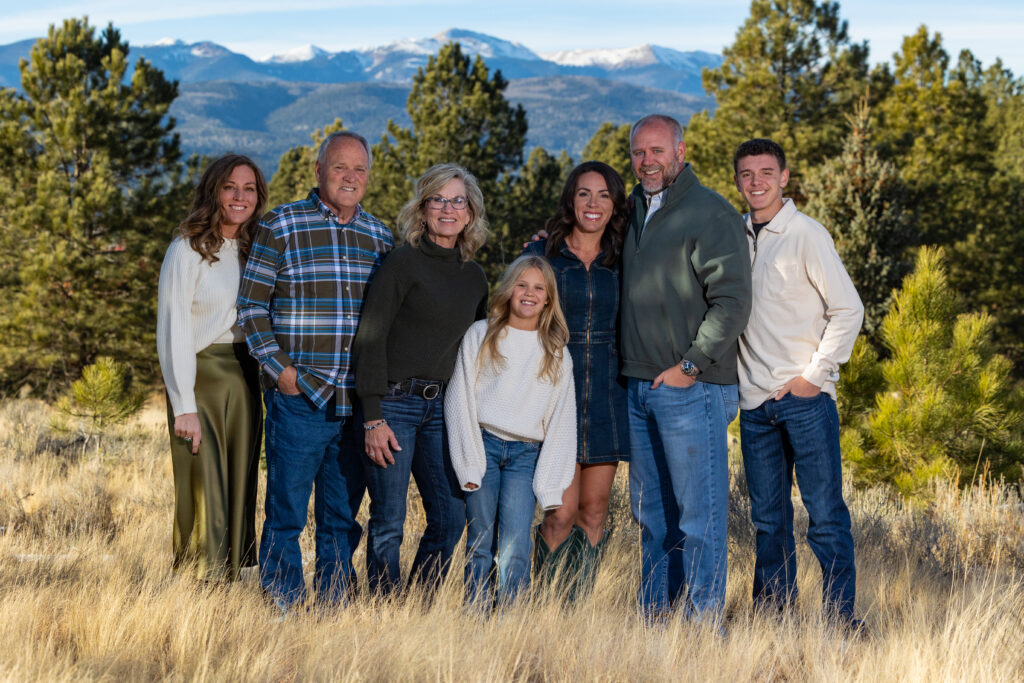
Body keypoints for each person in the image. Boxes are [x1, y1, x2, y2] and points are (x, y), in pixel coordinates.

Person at [237, 131, 393, 611]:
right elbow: (250, 308)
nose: (350, 177)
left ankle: (333, 603)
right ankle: (282, 602)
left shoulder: (380, 236)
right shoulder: (282, 224)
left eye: (359, 169)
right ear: (318, 172)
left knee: (341, 515)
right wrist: (282, 372)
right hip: (300, 396)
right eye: (339, 167)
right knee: (286, 511)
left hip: (356, 404)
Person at [621, 114, 751, 621]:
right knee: (653, 517)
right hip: (639, 386)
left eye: (657, 151)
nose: (647, 161)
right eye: (638, 153)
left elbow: (733, 302)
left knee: (700, 519)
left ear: (680, 150)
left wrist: (690, 367)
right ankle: (657, 623)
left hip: (689, 388)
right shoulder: (633, 209)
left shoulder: (709, 212)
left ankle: (702, 629)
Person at [732, 138, 864, 626]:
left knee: (825, 518)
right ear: (738, 181)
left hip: (804, 401)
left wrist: (814, 376)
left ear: (784, 177)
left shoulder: (807, 234)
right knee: (768, 523)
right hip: (754, 405)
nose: (757, 182)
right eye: (747, 174)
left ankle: (839, 622)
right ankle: (774, 621)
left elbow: (849, 309)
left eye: (766, 172)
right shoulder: (736, 236)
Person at [353, 163, 489, 596]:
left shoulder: (475, 277)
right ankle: (382, 608)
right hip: (393, 405)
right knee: (389, 518)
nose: (448, 209)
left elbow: (480, 349)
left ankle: (418, 606)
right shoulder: (402, 263)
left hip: (443, 410)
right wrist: (372, 416)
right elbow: (370, 339)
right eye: (438, 200)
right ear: (423, 209)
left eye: (458, 201)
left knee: (450, 516)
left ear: (470, 213)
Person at [157, 153, 268, 581]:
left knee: (240, 482)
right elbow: (173, 330)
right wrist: (183, 403)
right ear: (213, 191)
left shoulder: (257, 249)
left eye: (249, 189)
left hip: (245, 377)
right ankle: (200, 581)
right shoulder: (186, 250)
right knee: (204, 482)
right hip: (200, 378)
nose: (240, 197)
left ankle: (235, 580)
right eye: (230, 187)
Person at [522, 161, 630, 597]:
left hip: (607, 394)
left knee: (593, 512)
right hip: (556, 396)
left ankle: (575, 608)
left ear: (615, 205)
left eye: (604, 195)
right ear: (571, 198)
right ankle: (544, 602)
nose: (593, 203)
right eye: (584, 193)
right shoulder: (544, 257)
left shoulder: (624, 259)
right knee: (559, 513)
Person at [445, 255, 577, 605]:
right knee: (480, 543)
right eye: (522, 284)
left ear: (548, 298)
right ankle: (475, 620)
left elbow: (562, 421)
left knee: (516, 547)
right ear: (509, 289)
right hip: (482, 448)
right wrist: (468, 464)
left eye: (538, 288)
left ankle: (510, 625)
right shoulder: (482, 334)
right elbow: (459, 399)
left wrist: (550, 486)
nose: (529, 293)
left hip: (525, 456)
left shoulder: (556, 352)